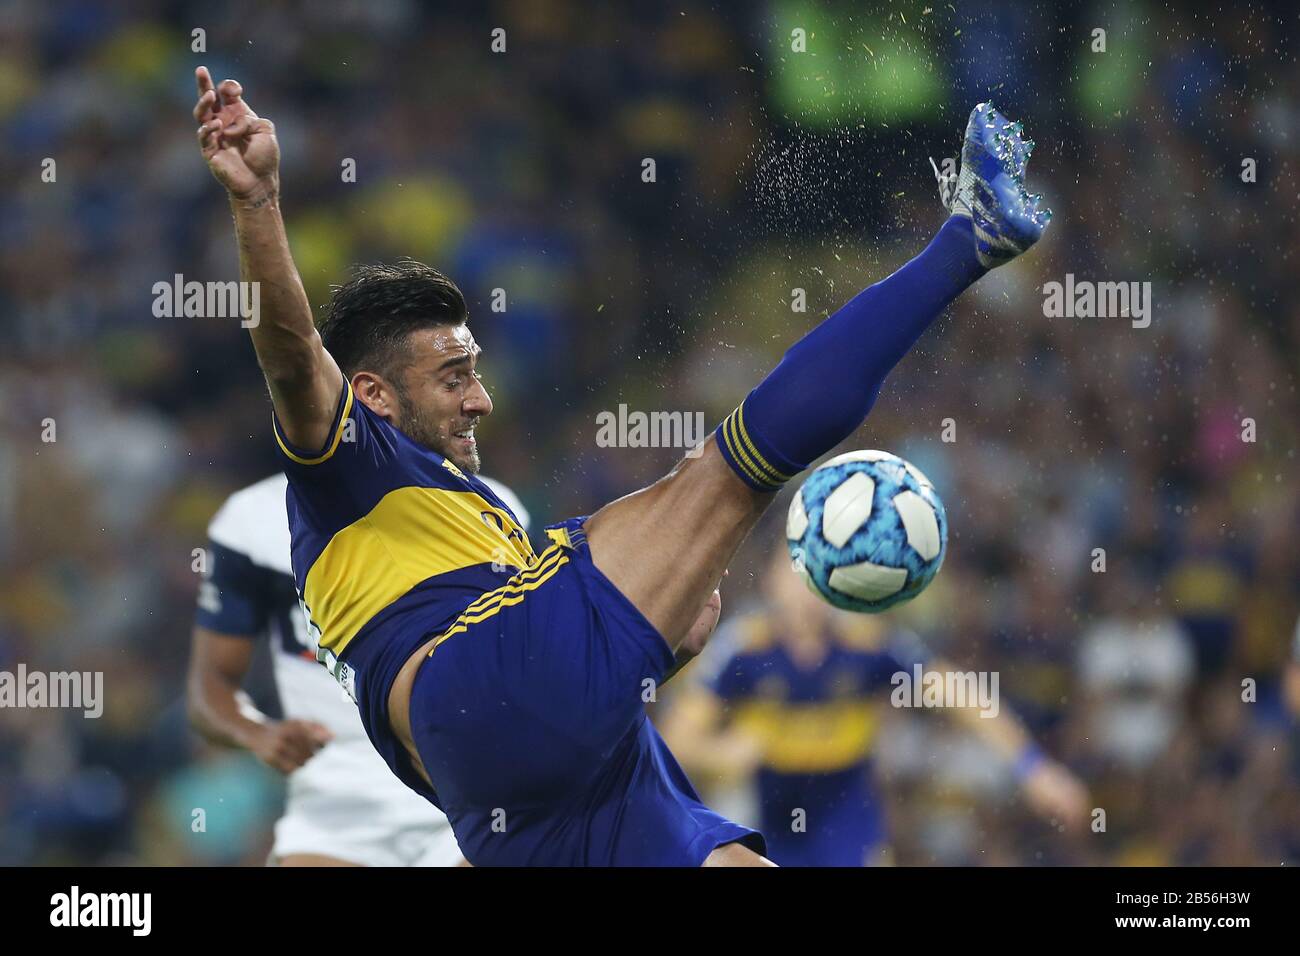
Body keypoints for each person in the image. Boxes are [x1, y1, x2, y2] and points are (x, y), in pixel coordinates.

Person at [191, 64, 1049, 865]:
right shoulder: (345, 463)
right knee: (727, 473)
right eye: (454, 378)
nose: (480, 401)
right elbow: (291, 351)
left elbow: (545, 708)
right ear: (373, 395)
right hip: (467, 697)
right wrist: (259, 201)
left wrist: (660, 656)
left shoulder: (458, 514)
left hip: (519, 796)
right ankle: (971, 238)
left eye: (477, 374)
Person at [660, 549, 1088, 866]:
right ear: (770, 581)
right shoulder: (744, 650)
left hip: (850, 816)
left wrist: (1033, 767)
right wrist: (722, 754)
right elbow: (675, 741)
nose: (806, 586)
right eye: (794, 569)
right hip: (769, 818)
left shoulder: (867, 644)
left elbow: (958, 693)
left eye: (819, 572)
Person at [187, 471, 528, 866]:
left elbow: (522, 667)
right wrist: (257, 732)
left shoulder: (488, 504)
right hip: (335, 818)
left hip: (460, 801)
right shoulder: (252, 522)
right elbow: (210, 685)